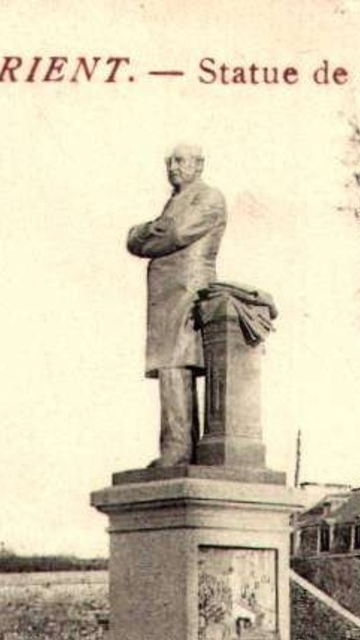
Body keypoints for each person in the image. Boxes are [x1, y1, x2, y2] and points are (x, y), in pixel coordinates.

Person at [125, 142, 226, 467]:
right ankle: (176, 446)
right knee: (171, 367)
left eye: (181, 161)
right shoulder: (175, 201)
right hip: (168, 292)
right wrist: (142, 234)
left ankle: (178, 448)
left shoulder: (209, 197)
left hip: (187, 288)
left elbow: (176, 234)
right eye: (170, 161)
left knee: (177, 364)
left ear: (200, 164)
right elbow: (134, 241)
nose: (173, 167)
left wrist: (145, 236)